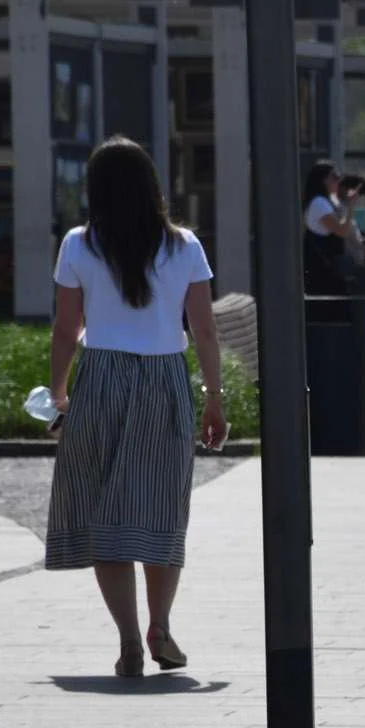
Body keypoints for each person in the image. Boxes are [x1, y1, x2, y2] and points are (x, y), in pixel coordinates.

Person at [45, 136, 229, 678]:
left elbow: (65, 328)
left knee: (107, 515)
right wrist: (214, 398)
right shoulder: (184, 246)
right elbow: (204, 329)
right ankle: (161, 624)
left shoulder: (79, 244)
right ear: (153, 187)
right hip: (164, 378)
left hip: (100, 376)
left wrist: (57, 393)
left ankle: (127, 638)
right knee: (161, 507)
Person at [301, 159, 362, 295]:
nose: (338, 181)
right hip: (322, 269)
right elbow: (342, 231)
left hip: (326, 268)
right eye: (334, 177)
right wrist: (351, 207)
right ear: (323, 180)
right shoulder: (319, 203)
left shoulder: (326, 202)